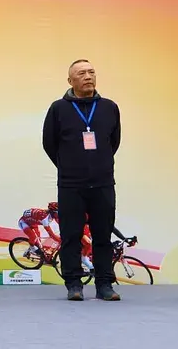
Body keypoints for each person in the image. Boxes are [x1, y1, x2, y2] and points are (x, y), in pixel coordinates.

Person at [42, 59, 121, 301]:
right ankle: (73, 284)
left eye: (91, 72)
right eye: (81, 73)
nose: (88, 76)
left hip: (103, 182)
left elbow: (113, 142)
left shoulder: (109, 107)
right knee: (71, 235)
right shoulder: (58, 109)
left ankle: (105, 284)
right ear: (70, 81)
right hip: (71, 184)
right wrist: (69, 165)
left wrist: (98, 164)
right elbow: (49, 143)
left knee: (102, 235)